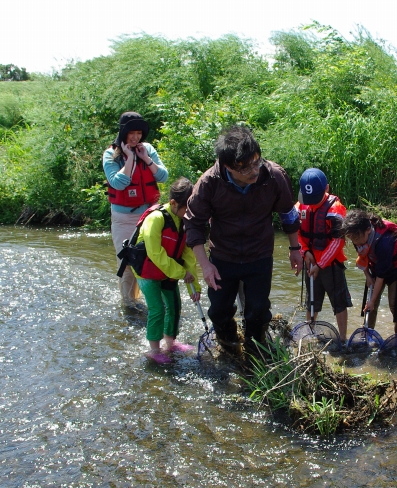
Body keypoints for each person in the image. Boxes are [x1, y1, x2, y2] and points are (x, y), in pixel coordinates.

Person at [183, 125, 302, 353]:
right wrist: (205, 266)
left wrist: (294, 247)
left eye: (256, 162)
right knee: (218, 311)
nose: (253, 171)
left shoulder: (273, 176)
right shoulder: (209, 183)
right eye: (244, 167)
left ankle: (255, 351)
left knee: (258, 310)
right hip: (222, 257)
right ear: (227, 166)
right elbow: (194, 223)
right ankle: (229, 346)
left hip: (259, 254)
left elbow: (287, 212)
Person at [102, 112, 168, 307]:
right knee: (127, 262)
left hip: (149, 215)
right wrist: (130, 158)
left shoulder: (147, 149)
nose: (136, 137)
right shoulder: (110, 154)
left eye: (139, 133)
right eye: (132, 132)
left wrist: (146, 158)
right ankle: (129, 304)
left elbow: (163, 176)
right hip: (123, 218)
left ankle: (155, 302)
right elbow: (118, 183)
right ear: (123, 133)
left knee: (153, 257)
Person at [133, 178, 201, 364]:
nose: (190, 213)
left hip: (169, 270)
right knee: (157, 308)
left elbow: (188, 255)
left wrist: (194, 286)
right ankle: (154, 350)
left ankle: (170, 343)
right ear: (173, 203)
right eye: (187, 208)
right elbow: (155, 253)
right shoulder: (155, 219)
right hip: (146, 270)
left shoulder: (183, 221)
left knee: (174, 305)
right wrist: (180, 273)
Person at [295, 168, 351, 342]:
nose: (311, 203)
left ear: (326, 188)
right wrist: (305, 252)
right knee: (311, 301)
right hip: (310, 261)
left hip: (331, 265)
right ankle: (309, 335)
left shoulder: (336, 208)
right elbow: (296, 233)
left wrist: (321, 263)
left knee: (339, 303)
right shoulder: (300, 206)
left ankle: (342, 339)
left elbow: (338, 241)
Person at [341, 209, 397, 335]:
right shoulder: (357, 236)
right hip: (376, 265)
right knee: (370, 304)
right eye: (351, 238)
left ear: (368, 230)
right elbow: (363, 258)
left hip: (396, 269)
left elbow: (381, 276)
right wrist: (367, 276)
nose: (355, 242)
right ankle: (367, 333)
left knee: (394, 304)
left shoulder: (384, 241)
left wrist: (372, 301)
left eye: (356, 238)